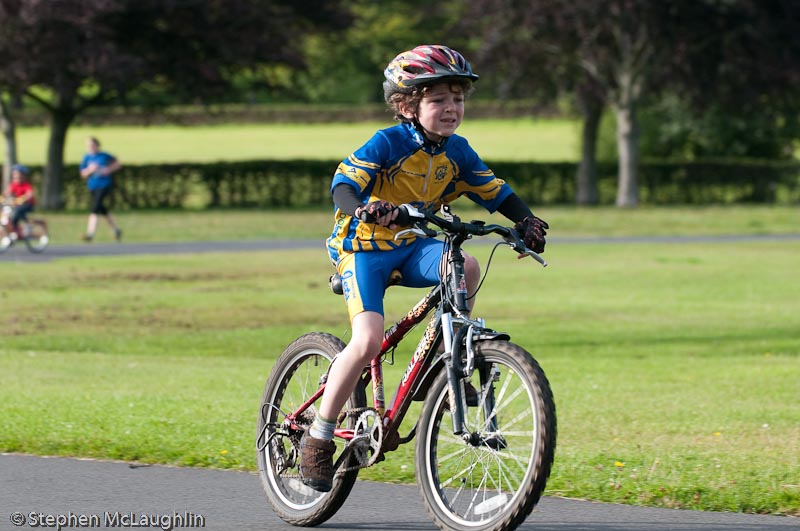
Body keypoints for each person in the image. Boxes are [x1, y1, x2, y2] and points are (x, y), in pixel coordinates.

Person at [300, 44, 549, 492]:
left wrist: (525, 220)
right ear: (406, 105)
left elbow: (495, 192)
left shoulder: (458, 152)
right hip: (362, 249)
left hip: (411, 245)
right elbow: (343, 186)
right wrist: (364, 208)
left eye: (458, 99)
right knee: (369, 340)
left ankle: (454, 358)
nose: (452, 108)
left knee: (465, 264)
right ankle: (317, 438)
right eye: (439, 100)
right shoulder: (388, 143)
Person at [79, 136, 122, 242]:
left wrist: (108, 169)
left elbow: (117, 164)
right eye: (88, 146)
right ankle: (116, 230)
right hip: (93, 186)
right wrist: (90, 169)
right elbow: (83, 174)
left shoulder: (104, 156)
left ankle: (90, 233)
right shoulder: (87, 158)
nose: (90, 147)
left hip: (104, 185)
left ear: (97, 145)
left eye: (92, 145)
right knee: (102, 209)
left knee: (95, 208)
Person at [2, 164, 36, 239]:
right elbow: (7, 193)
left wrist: (23, 198)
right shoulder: (13, 185)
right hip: (16, 204)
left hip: (27, 205)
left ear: (23, 176)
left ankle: (17, 232)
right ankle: (11, 231)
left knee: (16, 213)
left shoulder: (26, 185)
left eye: (18, 174)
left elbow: (29, 194)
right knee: (6, 213)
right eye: (14, 174)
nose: (16, 176)